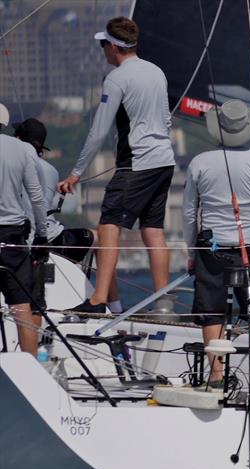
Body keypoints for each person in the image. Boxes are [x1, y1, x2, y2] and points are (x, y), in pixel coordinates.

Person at [58, 17, 175, 313]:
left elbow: (98, 131)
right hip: (164, 160)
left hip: (137, 162)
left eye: (103, 45)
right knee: (153, 230)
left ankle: (99, 300)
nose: (102, 50)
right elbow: (167, 117)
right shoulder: (156, 71)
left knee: (108, 226)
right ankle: (163, 303)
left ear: (113, 47)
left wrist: (76, 173)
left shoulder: (117, 78)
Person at [183, 99, 250, 392]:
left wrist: (192, 251)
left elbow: (189, 213)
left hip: (212, 248)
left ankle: (215, 377)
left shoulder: (200, 162)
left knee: (212, 311)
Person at [13, 118, 96, 327]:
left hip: (20, 241)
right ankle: (111, 304)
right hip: (52, 240)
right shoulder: (50, 171)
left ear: (17, 140)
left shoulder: (11, 165)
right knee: (101, 235)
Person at [0, 103, 50, 356]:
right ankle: (31, 371)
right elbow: (37, 198)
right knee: (22, 308)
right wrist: (42, 234)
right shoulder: (21, 150)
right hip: (12, 236)